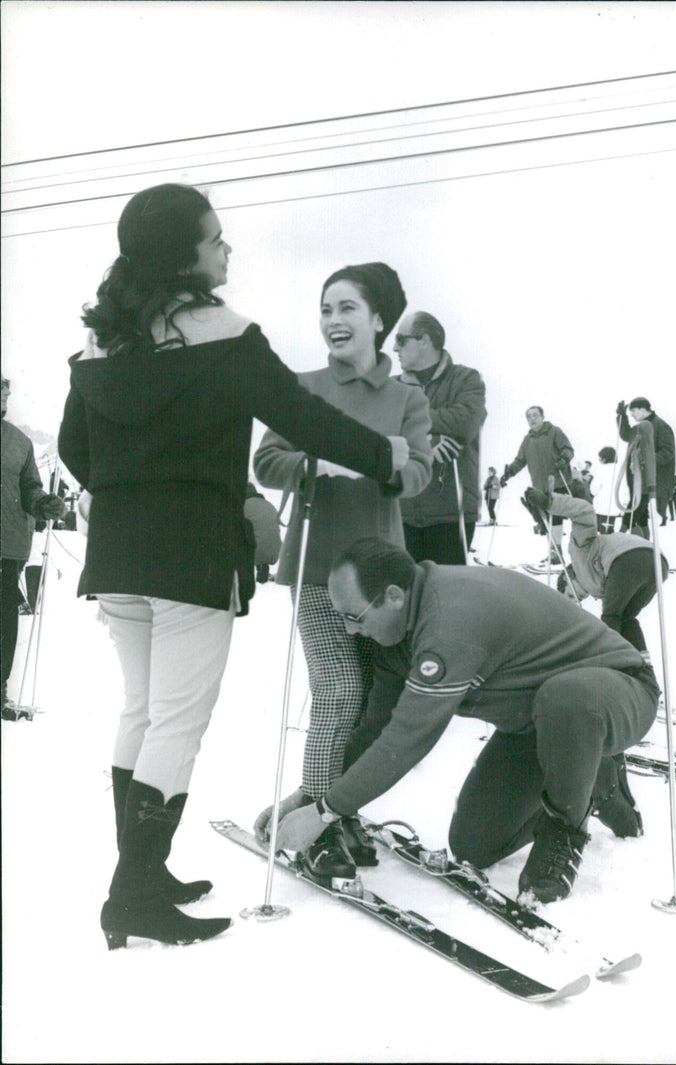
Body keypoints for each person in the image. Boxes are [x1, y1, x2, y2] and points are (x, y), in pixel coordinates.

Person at [57, 185, 413, 951]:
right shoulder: (227, 335)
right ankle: (132, 892)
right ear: (184, 255)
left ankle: (141, 875)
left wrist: (128, 496)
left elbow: (72, 451)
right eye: (216, 238)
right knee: (175, 723)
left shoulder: (102, 345)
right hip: (189, 559)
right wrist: (386, 456)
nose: (226, 250)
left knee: (142, 713)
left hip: (117, 554)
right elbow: (304, 418)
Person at [259, 536, 660, 905]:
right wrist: (310, 795)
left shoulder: (450, 621)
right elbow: (378, 731)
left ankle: (565, 831)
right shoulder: (395, 637)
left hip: (617, 691)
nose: (349, 630)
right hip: (535, 726)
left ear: (394, 596)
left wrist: (326, 812)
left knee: (566, 700)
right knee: (475, 845)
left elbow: (406, 741)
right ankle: (593, 778)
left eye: (355, 617)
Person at [253, 263, 432, 876]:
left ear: (379, 319)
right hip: (317, 564)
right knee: (338, 689)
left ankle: (334, 807)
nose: (333, 320)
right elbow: (267, 462)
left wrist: (380, 467)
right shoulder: (301, 388)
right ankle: (317, 820)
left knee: (372, 702)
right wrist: (323, 463)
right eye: (326, 308)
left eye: (347, 308)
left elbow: (418, 473)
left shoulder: (407, 396)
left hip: (383, 580)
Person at [524, 485, 668, 656]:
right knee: (626, 619)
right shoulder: (598, 585)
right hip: (657, 564)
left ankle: (611, 665)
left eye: (570, 595)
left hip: (626, 559)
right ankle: (642, 666)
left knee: (610, 617)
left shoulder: (580, 551)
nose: (577, 600)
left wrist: (550, 502)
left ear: (568, 576)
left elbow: (584, 512)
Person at [393, 311, 486, 563]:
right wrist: (430, 442)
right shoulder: (390, 388)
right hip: (400, 513)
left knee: (447, 598)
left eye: (401, 340)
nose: (394, 348)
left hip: (450, 514)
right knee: (402, 598)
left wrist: (409, 420)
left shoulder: (466, 379)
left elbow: (465, 422)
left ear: (424, 340)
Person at [1, 377, 66, 719]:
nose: (5, 398)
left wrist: (44, 505)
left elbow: (30, 489)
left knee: (3, 622)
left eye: (6, 393)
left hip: (8, 544)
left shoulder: (19, 442)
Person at [500, 406, 574, 563]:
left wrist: (564, 459)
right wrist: (508, 473)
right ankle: (554, 552)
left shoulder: (554, 431)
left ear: (542, 417)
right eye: (529, 417)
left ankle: (557, 553)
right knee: (547, 519)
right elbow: (520, 460)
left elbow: (568, 449)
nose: (532, 419)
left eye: (535, 415)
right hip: (540, 485)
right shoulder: (528, 440)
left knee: (556, 518)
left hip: (557, 481)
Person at [615, 397, 675, 535]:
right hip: (637, 478)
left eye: (634, 411)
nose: (632, 415)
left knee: (635, 509)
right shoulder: (640, 426)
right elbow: (626, 435)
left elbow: (667, 452)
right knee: (641, 515)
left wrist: (645, 460)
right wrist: (621, 416)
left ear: (643, 409)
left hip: (649, 479)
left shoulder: (660, 426)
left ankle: (620, 535)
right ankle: (644, 543)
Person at [592, 446, 622, 533]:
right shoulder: (620, 470)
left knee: (602, 531)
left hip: (602, 506)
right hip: (616, 505)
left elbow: (594, 489)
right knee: (609, 529)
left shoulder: (601, 470)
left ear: (604, 459)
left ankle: (605, 546)